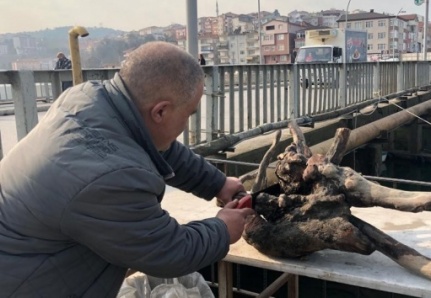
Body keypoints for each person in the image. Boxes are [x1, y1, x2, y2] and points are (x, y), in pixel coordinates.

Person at [0, 41, 254, 297]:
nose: (186, 124)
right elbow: (167, 250)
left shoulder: (89, 99)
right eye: (189, 114)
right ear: (161, 111)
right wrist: (222, 230)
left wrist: (217, 183)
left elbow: (158, 146)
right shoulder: (109, 178)